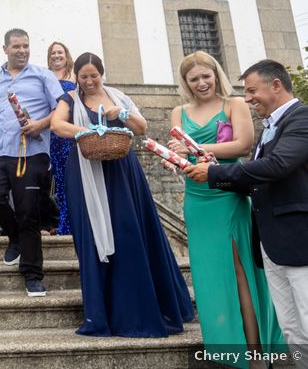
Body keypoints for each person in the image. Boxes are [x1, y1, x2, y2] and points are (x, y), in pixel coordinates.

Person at [52, 52, 194, 337]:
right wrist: (85, 131)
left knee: (129, 231)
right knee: (92, 237)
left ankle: (139, 306)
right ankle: (102, 312)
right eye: (84, 77)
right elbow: (57, 125)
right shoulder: (69, 100)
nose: (90, 81)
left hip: (122, 173)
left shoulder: (118, 97)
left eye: (94, 76)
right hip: (85, 172)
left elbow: (142, 128)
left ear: (102, 74)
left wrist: (124, 115)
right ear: (76, 77)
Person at [186, 59, 308, 366]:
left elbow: (277, 166)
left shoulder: (302, 118)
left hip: (298, 242)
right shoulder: (271, 127)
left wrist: (213, 174)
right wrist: (209, 172)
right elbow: (255, 184)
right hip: (272, 245)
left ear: (276, 85)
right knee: (293, 329)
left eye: (253, 91)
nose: (248, 98)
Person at [168, 52, 285, 366]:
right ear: (186, 83)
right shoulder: (178, 111)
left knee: (239, 272)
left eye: (206, 76)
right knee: (210, 276)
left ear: (215, 74)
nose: (202, 83)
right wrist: (176, 157)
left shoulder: (233, 104)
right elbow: (181, 153)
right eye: (194, 79)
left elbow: (244, 145)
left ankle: (257, 355)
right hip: (197, 199)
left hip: (228, 195)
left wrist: (198, 149)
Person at [0, 29, 62, 297]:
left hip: (31, 152)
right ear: (5, 49)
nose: (22, 51)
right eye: (16, 46)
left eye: (26, 46)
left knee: (29, 211)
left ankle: (32, 274)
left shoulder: (43, 76)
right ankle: (14, 233)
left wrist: (40, 124)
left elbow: (62, 108)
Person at [47, 41, 76, 235]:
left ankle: (71, 221)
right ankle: (61, 221)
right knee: (56, 177)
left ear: (66, 55)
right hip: (51, 134)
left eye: (60, 52)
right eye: (53, 53)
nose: (57, 55)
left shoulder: (74, 75)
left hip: (68, 133)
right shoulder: (46, 76)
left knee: (69, 177)